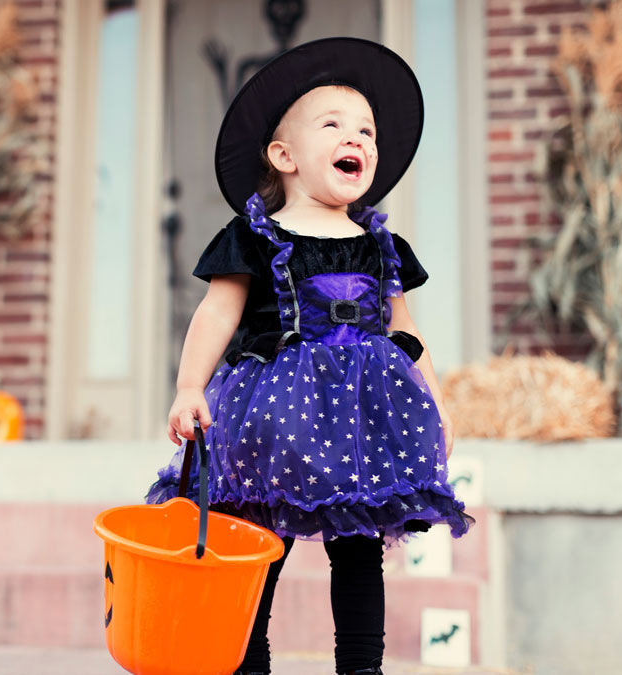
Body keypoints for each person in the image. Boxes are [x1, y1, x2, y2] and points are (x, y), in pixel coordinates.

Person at [145, 37, 474, 675]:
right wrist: (190, 387)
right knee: (260, 546)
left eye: (368, 131)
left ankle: (360, 668)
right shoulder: (255, 236)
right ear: (284, 155)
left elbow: (405, 332)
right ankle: (247, 663)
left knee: (358, 553)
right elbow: (218, 314)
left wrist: (435, 404)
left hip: (361, 424)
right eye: (334, 125)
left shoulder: (382, 245)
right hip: (274, 416)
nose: (358, 138)